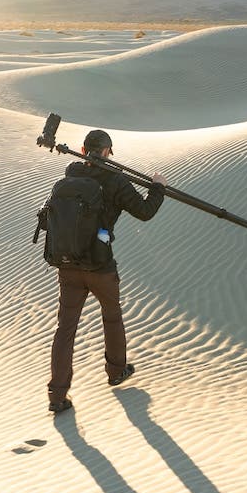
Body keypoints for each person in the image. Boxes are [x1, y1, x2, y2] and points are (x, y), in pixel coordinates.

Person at [47, 129, 167, 413]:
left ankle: (57, 395)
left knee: (65, 328)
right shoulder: (116, 181)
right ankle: (116, 371)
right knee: (112, 318)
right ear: (106, 152)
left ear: (83, 149)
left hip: (68, 265)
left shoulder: (71, 174)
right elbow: (145, 211)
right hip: (100, 266)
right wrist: (158, 187)